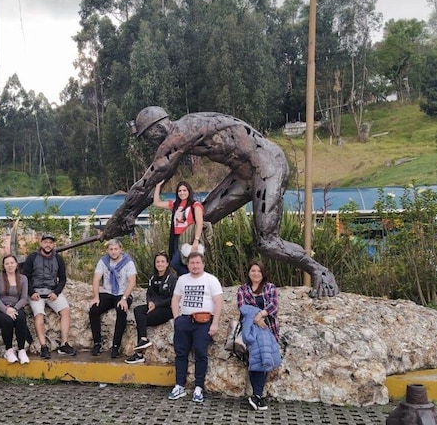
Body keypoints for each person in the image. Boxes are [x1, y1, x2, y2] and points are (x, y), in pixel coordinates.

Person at [101, 106, 338, 298]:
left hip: (267, 165)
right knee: (200, 220)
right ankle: (193, 282)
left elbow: (146, 182)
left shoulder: (180, 133)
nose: (149, 143)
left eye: (148, 136)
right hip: (244, 172)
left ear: (159, 127)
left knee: (267, 242)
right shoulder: (184, 129)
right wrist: (130, 216)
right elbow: (153, 185)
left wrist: (116, 220)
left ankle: (319, 271)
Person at [168, 252, 223, 403]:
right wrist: (176, 318)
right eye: (192, 263)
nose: (195, 266)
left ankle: (198, 387)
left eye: (198, 263)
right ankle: (179, 385)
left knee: (200, 352)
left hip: (203, 321)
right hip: (184, 320)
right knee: (180, 353)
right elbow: (175, 299)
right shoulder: (182, 280)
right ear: (188, 264)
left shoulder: (211, 280)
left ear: (203, 264)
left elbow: (218, 302)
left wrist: (215, 323)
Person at [21, 233, 76, 359]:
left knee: (65, 311)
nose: (48, 245)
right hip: (36, 293)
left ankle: (64, 344)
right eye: (45, 242)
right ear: (41, 243)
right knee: (39, 314)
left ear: (53, 244)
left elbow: (62, 279)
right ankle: (43, 346)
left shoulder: (58, 259)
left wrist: (56, 292)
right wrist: (31, 292)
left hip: (52, 291)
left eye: (50, 242)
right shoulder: (32, 257)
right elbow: (25, 278)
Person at [236, 260, 282, 411]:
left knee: (263, 356)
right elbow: (243, 308)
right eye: (253, 271)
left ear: (263, 273)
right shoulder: (243, 290)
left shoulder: (270, 288)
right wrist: (257, 317)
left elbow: (273, 305)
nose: (256, 274)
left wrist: (261, 315)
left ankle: (257, 395)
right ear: (249, 273)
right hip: (250, 329)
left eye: (259, 271)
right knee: (255, 357)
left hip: (268, 328)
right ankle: (258, 396)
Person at [125, 252, 178, 364]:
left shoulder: (173, 278)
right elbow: (149, 293)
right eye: (157, 262)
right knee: (138, 310)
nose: (160, 264)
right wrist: (150, 303)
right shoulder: (152, 277)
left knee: (143, 319)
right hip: (154, 306)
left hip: (167, 308)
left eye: (162, 262)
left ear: (167, 264)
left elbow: (172, 299)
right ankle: (143, 340)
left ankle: (139, 354)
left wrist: (156, 305)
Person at [90, 239, 137, 358]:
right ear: (107, 250)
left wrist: (124, 298)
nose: (113, 252)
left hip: (122, 293)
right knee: (94, 310)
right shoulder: (103, 261)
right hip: (108, 292)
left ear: (121, 249)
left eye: (116, 249)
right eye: (111, 249)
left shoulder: (128, 262)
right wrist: (96, 296)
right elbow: (96, 279)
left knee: (121, 310)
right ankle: (97, 343)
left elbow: (132, 281)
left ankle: (116, 346)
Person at [152, 180, 204, 276]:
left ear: (189, 191)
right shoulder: (175, 204)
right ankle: (188, 280)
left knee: (176, 263)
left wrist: (196, 240)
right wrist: (158, 186)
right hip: (176, 238)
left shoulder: (195, 205)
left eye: (184, 190)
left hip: (188, 238)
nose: (182, 193)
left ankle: (193, 278)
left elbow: (200, 223)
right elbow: (157, 203)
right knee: (181, 262)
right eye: (180, 191)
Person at [0, 254, 30, 364]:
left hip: (16, 307)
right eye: (7, 263)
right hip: (0, 309)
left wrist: (15, 308)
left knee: (20, 317)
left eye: (12, 263)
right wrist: (6, 310)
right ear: (3, 266)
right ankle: (9, 350)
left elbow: (24, 298)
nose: (10, 265)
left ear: (16, 264)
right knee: (7, 320)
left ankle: (21, 350)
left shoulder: (23, 278)